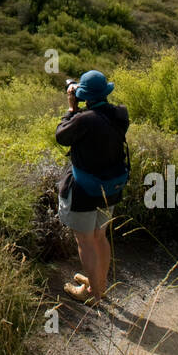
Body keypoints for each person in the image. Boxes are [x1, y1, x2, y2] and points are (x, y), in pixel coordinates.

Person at [55, 70, 130, 304]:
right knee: (100, 237)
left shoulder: (82, 120)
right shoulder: (120, 114)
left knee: (84, 241)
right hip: (111, 189)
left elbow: (61, 136)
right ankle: (100, 284)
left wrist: (71, 108)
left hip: (84, 191)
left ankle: (93, 294)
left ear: (84, 95)